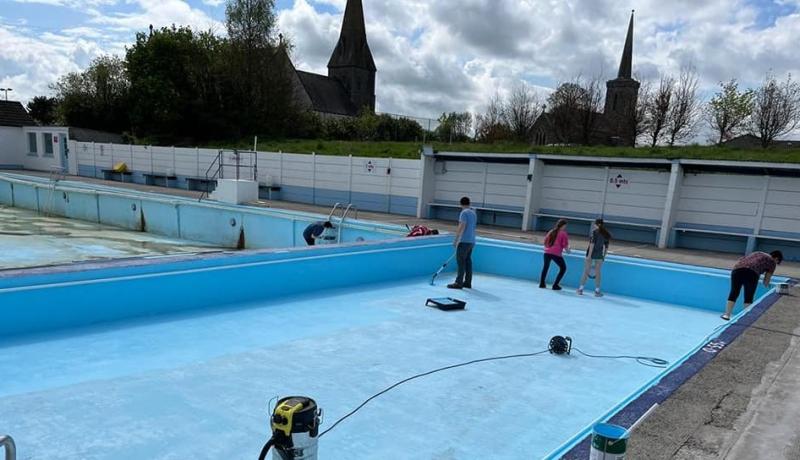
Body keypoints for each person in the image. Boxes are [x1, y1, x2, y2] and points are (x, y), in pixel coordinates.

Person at [721, 250, 783, 320]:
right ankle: (746, 318)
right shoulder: (772, 262)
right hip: (752, 273)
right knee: (749, 296)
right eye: (777, 262)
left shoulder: (757, 253)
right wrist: (770, 287)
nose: (776, 263)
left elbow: (743, 259)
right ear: (776, 258)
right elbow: (766, 280)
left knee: (734, 292)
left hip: (737, 270)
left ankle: (727, 315)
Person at [448, 196, 477, 290]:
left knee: (461, 262)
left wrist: (456, 239)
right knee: (468, 261)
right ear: (469, 203)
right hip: (471, 240)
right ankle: (468, 282)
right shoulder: (473, 212)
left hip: (464, 240)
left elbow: (462, 225)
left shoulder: (464, 213)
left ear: (461, 204)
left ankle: (458, 282)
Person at [577, 218, 611, 297]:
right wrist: (604, 256)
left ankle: (580, 289)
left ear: (596, 224)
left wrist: (589, 256)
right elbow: (606, 247)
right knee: (598, 273)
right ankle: (597, 291)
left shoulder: (594, 232)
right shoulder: (606, 234)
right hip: (599, 255)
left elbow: (592, 244)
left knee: (586, 272)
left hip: (591, 254)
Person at [540, 219, 570, 290]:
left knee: (545, 267)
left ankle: (542, 283)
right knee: (563, 268)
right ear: (563, 226)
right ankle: (555, 285)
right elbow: (565, 245)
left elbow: (545, 242)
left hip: (547, 252)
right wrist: (568, 251)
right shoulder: (563, 234)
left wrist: (548, 248)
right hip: (556, 253)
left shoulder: (551, 231)